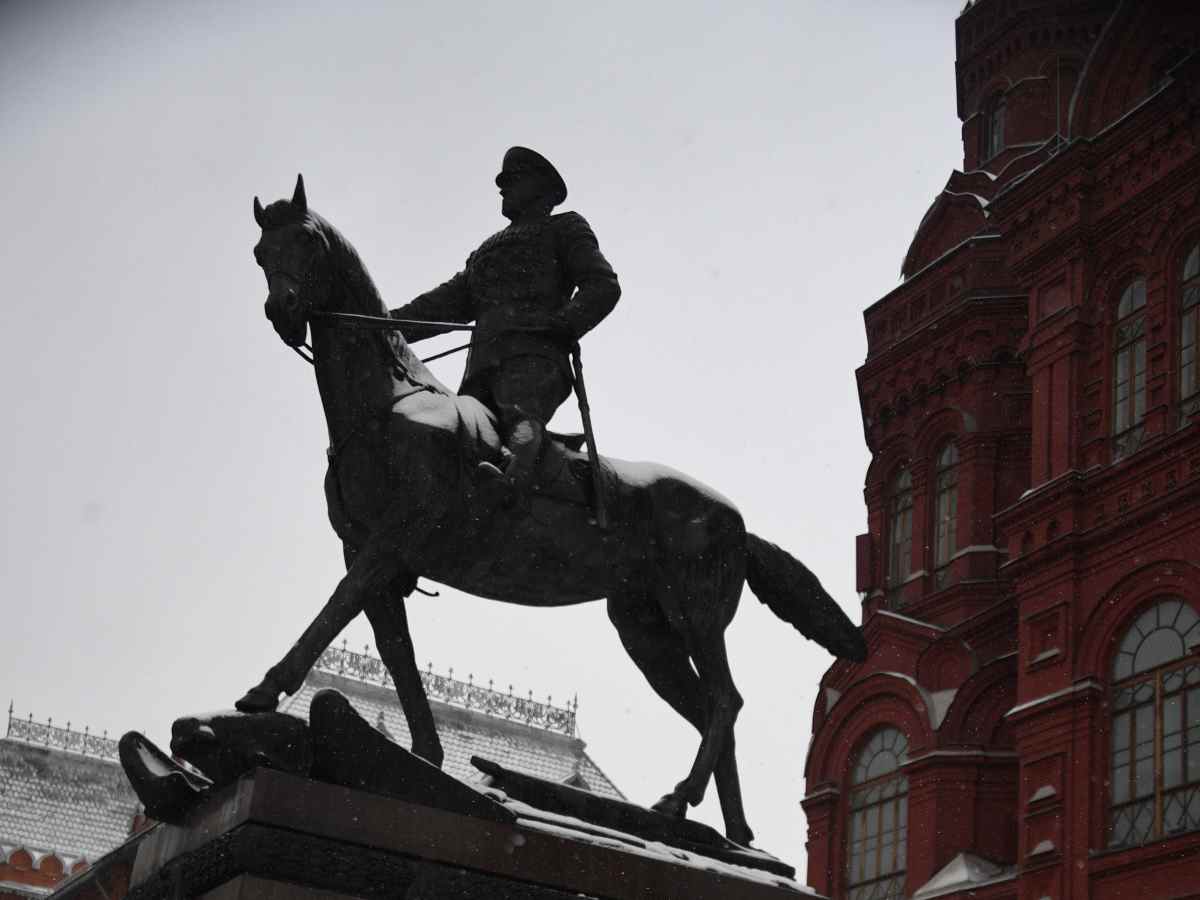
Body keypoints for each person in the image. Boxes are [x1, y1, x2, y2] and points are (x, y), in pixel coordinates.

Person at [390, 147, 621, 497]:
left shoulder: (564, 227)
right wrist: (383, 324)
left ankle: (510, 492)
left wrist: (564, 323)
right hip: (481, 371)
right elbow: (440, 305)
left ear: (540, 188)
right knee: (458, 442)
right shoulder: (485, 251)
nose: (502, 188)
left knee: (521, 425)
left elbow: (603, 285)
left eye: (512, 181)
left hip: (534, 361)